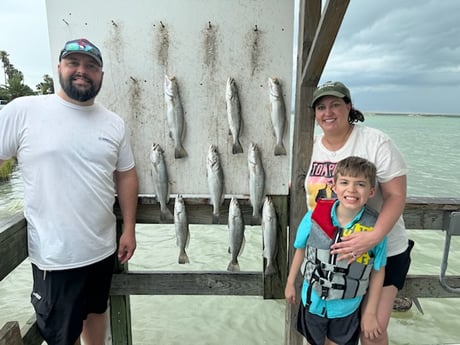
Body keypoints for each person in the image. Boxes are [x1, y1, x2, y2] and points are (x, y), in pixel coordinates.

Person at [0, 38, 139, 345]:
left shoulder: (114, 123)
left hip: (103, 249)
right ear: (59, 67)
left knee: (97, 312)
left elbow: (126, 175)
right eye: (74, 63)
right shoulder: (25, 110)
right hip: (55, 257)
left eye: (91, 66)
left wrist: (128, 228)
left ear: (101, 75)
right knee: (62, 336)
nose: (82, 71)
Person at [303, 81, 413, 345]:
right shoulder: (310, 146)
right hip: (330, 259)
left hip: (380, 252)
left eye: (335, 105)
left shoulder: (375, 142)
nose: (328, 112)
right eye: (321, 107)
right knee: (331, 336)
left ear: (349, 107)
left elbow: (396, 195)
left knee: (371, 331)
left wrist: (373, 237)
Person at [286, 156, 387, 345]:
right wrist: (290, 282)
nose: (351, 189)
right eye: (345, 182)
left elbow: (378, 270)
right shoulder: (313, 216)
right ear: (334, 187)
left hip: (347, 307)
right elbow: (299, 250)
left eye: (360, 184)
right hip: (312, 301)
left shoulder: (375, 228)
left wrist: (371, 312)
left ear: (372, 191)